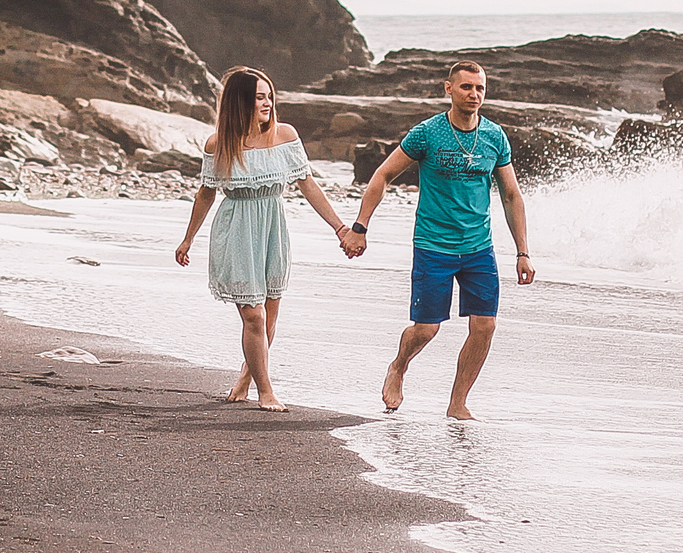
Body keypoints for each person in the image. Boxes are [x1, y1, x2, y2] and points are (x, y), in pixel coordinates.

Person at [175, 66, 366, 411]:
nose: (267, 102)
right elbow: (206, 193)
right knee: (254, 317)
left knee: (271, 315)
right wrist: (188, 239)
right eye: (259, 97)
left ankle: (247, 379)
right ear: (240, 102)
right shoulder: (219, 143)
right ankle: (267, 392)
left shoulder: (285, 136)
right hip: (236, 228)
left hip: (273, 227)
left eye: (269, 96)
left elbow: (308, 184)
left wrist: (341, 229)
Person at [350, 61, 534, 419]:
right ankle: (399, 366)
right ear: (448, 89)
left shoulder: (495, 136)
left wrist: (522, 251)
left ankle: (457, 403)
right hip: (433, 245)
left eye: (480, 88)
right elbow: (383, 175)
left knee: (485, 325)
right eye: (466, 87)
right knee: (426, 329)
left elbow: (511, 195)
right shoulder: (427, 134)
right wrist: (360, 227)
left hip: (479, 247)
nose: (474, 95)